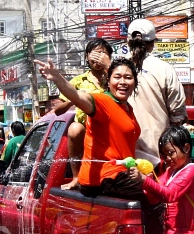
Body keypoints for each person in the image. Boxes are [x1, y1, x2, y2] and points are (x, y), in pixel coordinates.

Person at [35, 57, 144, 200]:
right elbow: (77, 96)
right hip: (102, 179)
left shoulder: (127, 108)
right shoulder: (102, 101)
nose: (122, 82)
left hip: (120, 175)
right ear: (108, 81)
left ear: (134, 82)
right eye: (117, 77)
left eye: (128, 77)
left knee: (159, 186)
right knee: (155, 194)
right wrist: (57, 78)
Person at [127, 19, 187, 167]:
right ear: (152, 43)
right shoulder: (164, 69)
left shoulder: (117, 69)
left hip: (124, 154)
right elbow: (177, 113)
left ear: (128, 41)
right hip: (159, 154)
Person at [54, 39, 113, 190]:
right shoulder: (78, 81)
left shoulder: (115, 78)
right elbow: (57, 111)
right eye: (95, 53)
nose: (98, 57)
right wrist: (74, 98)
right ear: (87, 56)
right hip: (87, 131)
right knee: (74, 128)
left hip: (110, 129)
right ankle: (76, 177)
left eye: (102, 53)